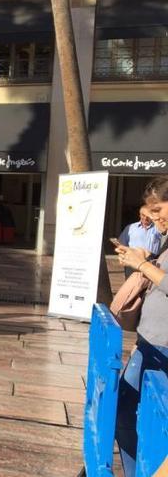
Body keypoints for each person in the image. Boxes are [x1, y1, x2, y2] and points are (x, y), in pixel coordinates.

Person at [114, 177, 168, 477]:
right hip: (150, 341)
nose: (153, 216)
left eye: (158, 209)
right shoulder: (164, 238)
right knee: (123, 412)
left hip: (164, 348)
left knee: (153, 420)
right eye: (150, 210)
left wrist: (144, 266)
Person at [119, 205, 162, 278]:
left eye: (148, 216)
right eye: (143, 215)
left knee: (149, 287)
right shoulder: (130, 227)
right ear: (139, 215)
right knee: (130, 285)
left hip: (151, 263)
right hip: (132, 263)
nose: (145, 218)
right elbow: (122, 244)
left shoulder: (158, 228)